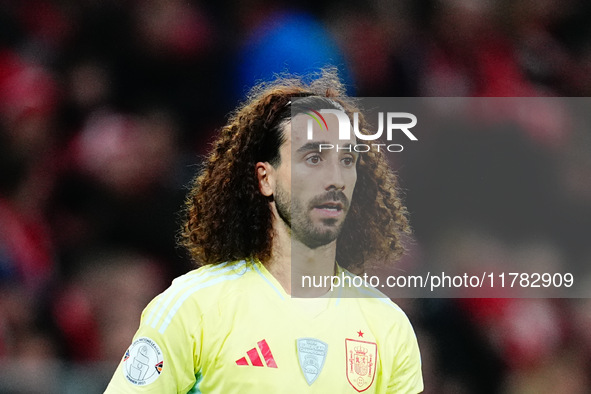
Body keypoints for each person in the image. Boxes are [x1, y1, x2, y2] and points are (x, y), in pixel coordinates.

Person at [104, 69, 423, 393]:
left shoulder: (388, 326)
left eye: (346, 159)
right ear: (265, 178)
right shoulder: (192, 307)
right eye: (313, 158)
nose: (335, 178)